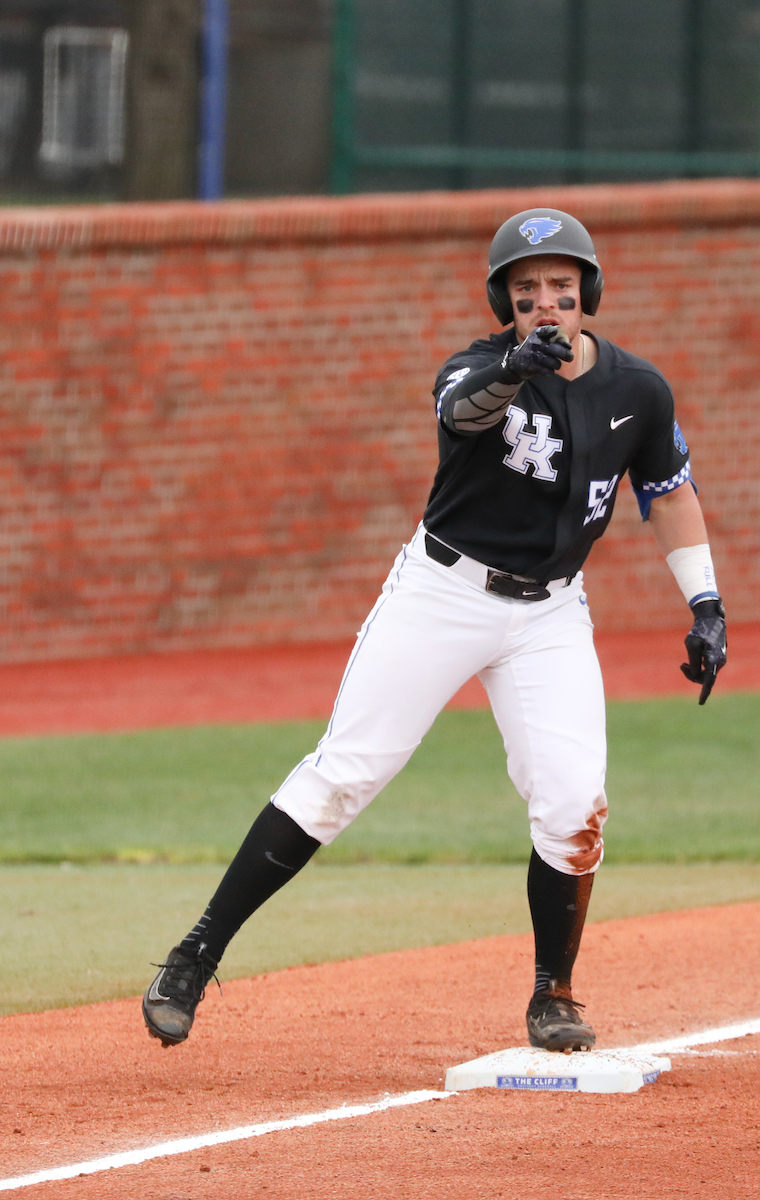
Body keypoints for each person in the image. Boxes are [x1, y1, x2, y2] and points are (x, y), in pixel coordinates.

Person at [143, 208, 727, 1054]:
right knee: (343, 775)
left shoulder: (638, 389)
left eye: (562, 290)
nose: (546, 306)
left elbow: (668, 492)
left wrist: (705, 604)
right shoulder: (477, 368)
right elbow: (463, 415)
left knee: (573, 802)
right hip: (443, 591)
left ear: (588, 293)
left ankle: (552, 993)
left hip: (551, 611)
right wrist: (515, 375)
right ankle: (194, 955)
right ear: (506, 305)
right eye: (527, 294)